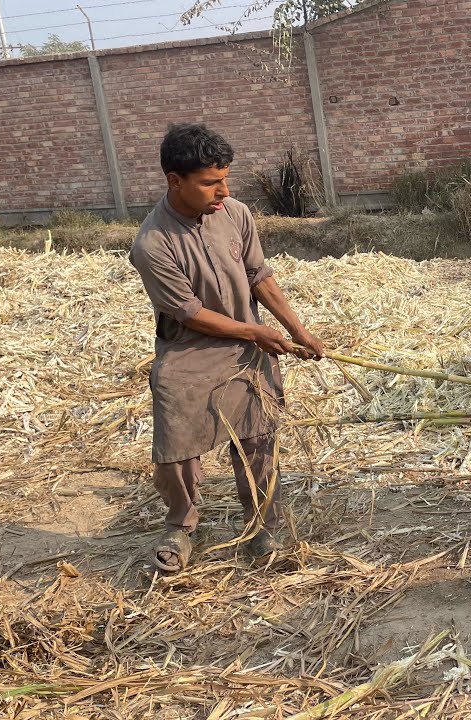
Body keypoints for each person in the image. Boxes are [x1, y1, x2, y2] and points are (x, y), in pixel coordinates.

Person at [129, 123, 325, 573]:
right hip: (189, 352)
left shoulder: (235, 213)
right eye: (210, 182)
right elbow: (190, 312)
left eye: (225, 177)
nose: (223, 190)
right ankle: (181, 525)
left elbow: (260, 276)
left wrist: (297, 329)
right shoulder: (152, 243)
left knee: (258, 438)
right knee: (176, 445)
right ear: (174, 180)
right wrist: (256, 333)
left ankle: (261, 526)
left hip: (247, 346)